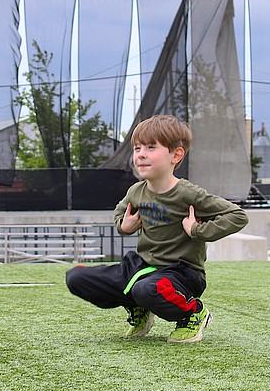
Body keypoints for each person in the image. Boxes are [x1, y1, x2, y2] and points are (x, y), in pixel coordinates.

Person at [66, 115, 248, 343]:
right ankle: (138, 307)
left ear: (176, 155)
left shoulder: (189, 194)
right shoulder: (136, 191)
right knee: (76, 277)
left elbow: (237, 216)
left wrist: (197, 231)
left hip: (181, 273)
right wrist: (124, 226)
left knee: (146, 289)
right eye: (137, 148)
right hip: (142, 267)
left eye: (151, 147)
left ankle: (193, 313)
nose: (140, 154)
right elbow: (119, 213)